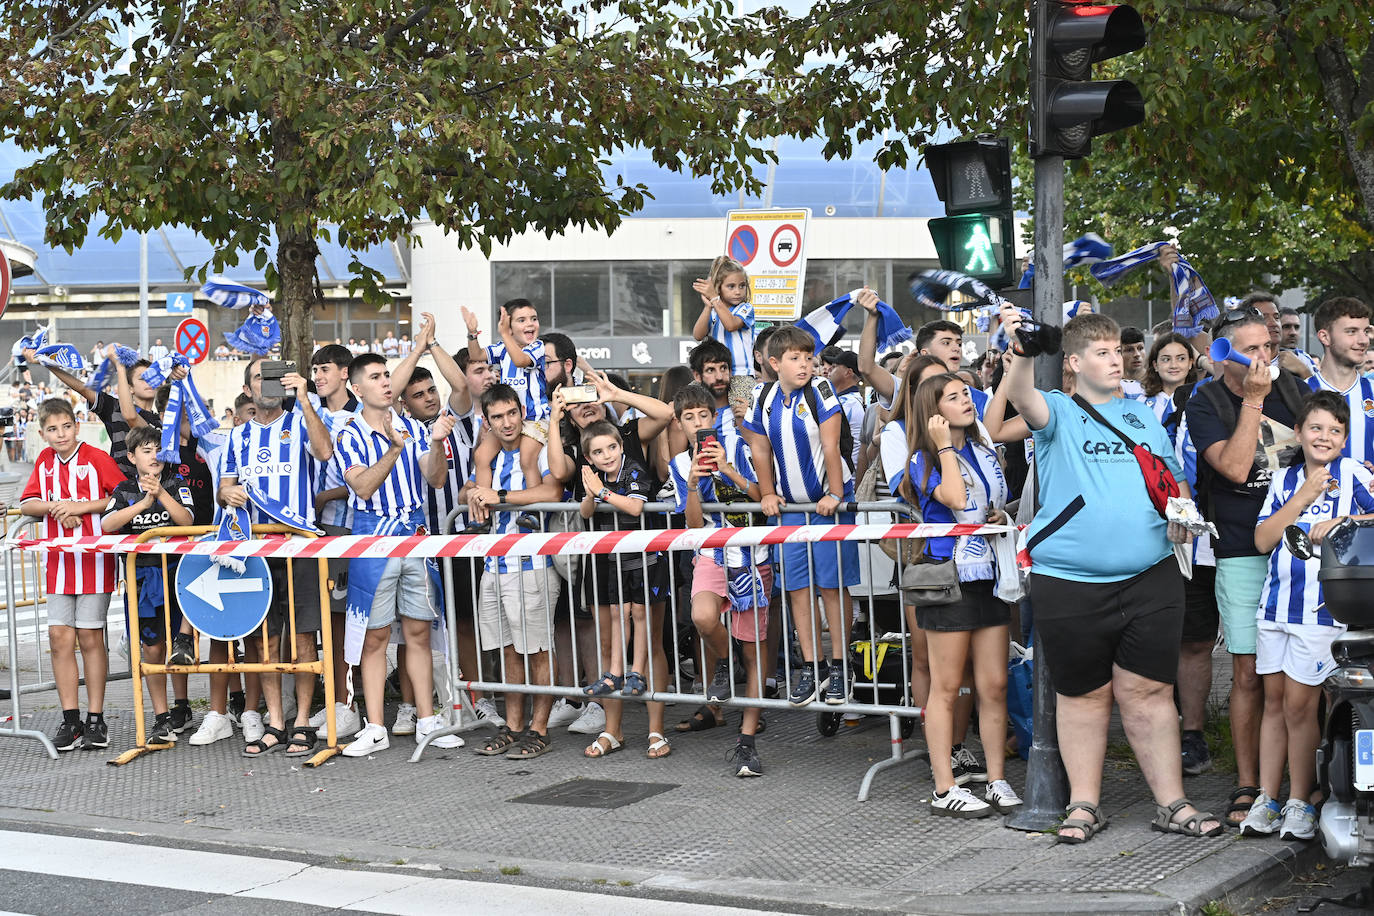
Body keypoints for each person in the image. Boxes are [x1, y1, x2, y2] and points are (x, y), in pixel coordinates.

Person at [1001, 303, 1222, 843]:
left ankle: (1173, 804)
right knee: (1084, 695)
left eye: (1117, 351)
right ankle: (1083, 805)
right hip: (1071, 579)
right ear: (1073, 362)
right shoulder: (1057, 410)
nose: (1116, 360)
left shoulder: (1143, 415)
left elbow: (1173, 480)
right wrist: (1026, 350)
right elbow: (1021, 394)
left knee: (1149, 692)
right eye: (1101, 353)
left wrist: (1184, 515)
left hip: (1152, 575)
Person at [1186, 307, 1304, 825]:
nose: (1265, 357)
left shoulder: (1294, 390)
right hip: (1239, 548)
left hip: (1299, 547)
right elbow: (1234, 469)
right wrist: (1254, 401)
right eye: (1252, 349)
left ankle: (1300, 783)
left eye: (1268, 347)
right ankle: (1248, 782)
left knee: (1302, 672)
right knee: (1249, 671)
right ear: (1223, 353)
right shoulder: (1207, 402)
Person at [1242, 391, 1374, 841]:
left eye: (1335, 430)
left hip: (1320, 613)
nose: (1325, 437)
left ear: (1345, 438)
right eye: (1316, 428)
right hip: (1275, 607)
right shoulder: (1284, 478)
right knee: (1273, 705)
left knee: (1301, 708)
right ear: (1298, 433)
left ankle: (1301, 800)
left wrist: (1344, 524)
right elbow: (1262, 540)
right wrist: (1302, 498)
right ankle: (1268, 797)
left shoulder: (1354, 473)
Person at [904, 373, 1021, 817]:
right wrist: (945, 446)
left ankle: (996, 779)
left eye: (966, 394)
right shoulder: (924, 457)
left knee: (993, 683)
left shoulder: (982, 448)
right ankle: (943, 786)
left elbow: (992, 499)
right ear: (933, 411)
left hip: (988, 575)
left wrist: (995, 514)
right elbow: (953, 497)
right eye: (953, 398)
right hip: (948, 579)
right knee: (947, 686)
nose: (966, 401)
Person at [335, 353, 463, 756]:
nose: (386, 382)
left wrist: (438, 440)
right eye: (376, 377)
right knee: (374, 638)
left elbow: (437, 478)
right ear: (358, 389)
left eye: (387, 375)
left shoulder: (412, 426)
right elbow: (363, 488)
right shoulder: (349, 434)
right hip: (373, 543)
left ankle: (427, 719)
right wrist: (393, 449)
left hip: (415, 539)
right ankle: (375, 727)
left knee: (419, 633)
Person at [218, 357, 334, 757]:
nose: (266, 384)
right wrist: (227, 494)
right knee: (265, 641)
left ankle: (303, 721)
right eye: (257, 378)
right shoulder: (236, 437)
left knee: (303, 636)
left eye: (273, 377)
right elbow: (225, 488)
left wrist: (304, 398)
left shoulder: (302, 419)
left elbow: (324, 452)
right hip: (256, 552)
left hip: (299, 546)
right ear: (248, 391)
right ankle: (275, 722)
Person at [741, 326, 859, 707]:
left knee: (831, 586)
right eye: (795, 358)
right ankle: (813, 665)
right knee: (797, 588)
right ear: (773, 363)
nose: (805, 364)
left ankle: (841, 666)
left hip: (826, 507)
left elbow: (829, 443)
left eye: (809, 357)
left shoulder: (821, 390)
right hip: (790, 510)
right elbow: (759, 449)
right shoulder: (762, 395)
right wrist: (768, 492)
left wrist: (836, 494)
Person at [664, 382, 770, 774]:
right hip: (710, 553)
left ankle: (746, 740)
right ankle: (728, 661)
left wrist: (726, 470)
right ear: (679, 423)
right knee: (703, 617)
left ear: (714, 416)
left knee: (754, 650)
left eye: (703, 416)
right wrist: (693, 483)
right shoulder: (678, 464)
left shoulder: (739, 448)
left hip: (752, 558)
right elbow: (692, 524)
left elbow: (763, 498)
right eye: (688, 418)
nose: (696, 424)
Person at [20, 399, 125, 751]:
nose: (60, 434)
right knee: (58, 639)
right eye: (52, 429)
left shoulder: (96, 457)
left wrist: (81, 507)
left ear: (76, 426)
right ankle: (70, 719)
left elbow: (124, 495)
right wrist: (55, 508)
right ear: (42, 434)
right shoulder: (45, 462)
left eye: (66, 426)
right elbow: (27, 503)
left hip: (94, 561)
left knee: (91, 639)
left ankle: (97, 719)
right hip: (58, 564)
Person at [466, 383, 563, 760]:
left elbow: (554, 493)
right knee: (508, 651)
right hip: (494, 563)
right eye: (497, 417)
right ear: (487, 422)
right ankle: (514, 726)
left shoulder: (535, 443)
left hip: (533, 562)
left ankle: (540, 729)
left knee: (537, 650)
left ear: (521, 412)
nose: (507, 422)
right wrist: (475, 491)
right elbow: (475, 493)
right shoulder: (488, 454)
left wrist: (499, 498)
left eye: (511, 413)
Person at [575, 419, 671, 760]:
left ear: (620, 446)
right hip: (608, 562)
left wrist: (602, 493)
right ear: (589, 456)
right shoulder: (594, 476)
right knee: (614, 625)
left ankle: (655, 729)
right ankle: (612, 728)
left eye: (611, 448)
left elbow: (634, 506)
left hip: (644, 560)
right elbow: (586, 513)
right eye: (598, 452)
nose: (606, 456)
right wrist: (590, 493)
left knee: (650, 635)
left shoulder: (633, 470)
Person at [101, 426, 196, 746]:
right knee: (153, 649)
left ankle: (183, 704)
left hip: (178, 574)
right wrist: (142, 504)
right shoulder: (124, 490)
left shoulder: (177, 483)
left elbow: (186, 521)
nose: (153, 456)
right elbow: (107, 524)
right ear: (131, 457)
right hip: (143, 579)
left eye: (158, 449)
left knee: (179, 645)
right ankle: (160, 716)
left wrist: (161, 494)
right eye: (145, 450)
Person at [304, 343, 362, 739]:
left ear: (345, 372)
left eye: (325, 369)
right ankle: (331, 701)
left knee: (344, 621)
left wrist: (326, 497)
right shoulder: (310, 413)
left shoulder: (363, 415)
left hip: (348, 529)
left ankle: (348, 704)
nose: (319, 376)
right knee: (320, 620)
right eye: (315, 370)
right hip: (312, 531)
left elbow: (360, 478)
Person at [462, 300, 548, 510]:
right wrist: (472, 334)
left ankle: (532, 512)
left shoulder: (537, 347)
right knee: (481, 455)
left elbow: (520, 361)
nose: (530, 324)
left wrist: (505, 335)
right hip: (509, 419)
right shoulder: (502, 348)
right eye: (522, 320)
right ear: (509, 326)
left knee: (527, 458)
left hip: (534, 420)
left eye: (533, 319)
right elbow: (476, 356)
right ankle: (482, 509)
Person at [1306, 297, 1374, 467]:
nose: (1364, 340)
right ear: (1325, 337)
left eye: (1365, 331)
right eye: (1351, 331)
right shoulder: (1302, 392)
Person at [691, 256, 757, 377]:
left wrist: (715, 299)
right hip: (715, 376)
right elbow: (697, 335)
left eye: (742, 286)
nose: (738, 291)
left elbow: (731, 325)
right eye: (731, 286)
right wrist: (708, 307)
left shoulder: (745, 308)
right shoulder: (713, 310)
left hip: (740, 374)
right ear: (718, 288)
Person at [1140, 333, 1200, 437]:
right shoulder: (1140, 401)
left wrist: (1201, 360)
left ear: (1190, 363)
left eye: (1181, 358)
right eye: (1166, 359)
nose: (1173, 365)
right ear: (1155, 365)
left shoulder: (1201, 398)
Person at [820, 346, 865, 469]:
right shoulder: (847, 400)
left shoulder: (848, 403)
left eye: (834, 367)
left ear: (848, 372)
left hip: (846, 477)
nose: (829, 370)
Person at [1279, 307, 1319, 376]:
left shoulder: (1306, 359)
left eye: (1296, 327)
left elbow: (1316, 385)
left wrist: (1303, 370)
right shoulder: (1263, 357)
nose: (1293, 332)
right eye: (1286, 326)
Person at [1120, 326, 1147, 396]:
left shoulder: (1158, 382)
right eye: (1129, 350)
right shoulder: (1110, 385)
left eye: (1140, 348)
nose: (1137, 354)